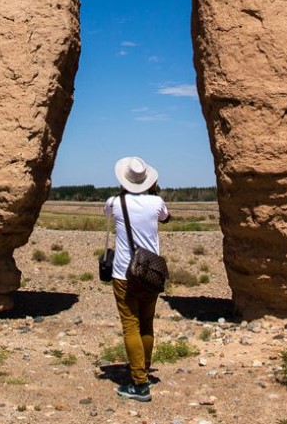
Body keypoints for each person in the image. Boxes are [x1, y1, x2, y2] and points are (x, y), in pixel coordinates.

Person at [104, 156, 170, 402]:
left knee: (130, 325)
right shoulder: (157, 202)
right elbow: (166, 217)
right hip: (150, 274)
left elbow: (107, 212)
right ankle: (143, 368)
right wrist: (154, 192)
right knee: (146, 323)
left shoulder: (115, 202)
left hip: (124, 274)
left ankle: (140, 384)